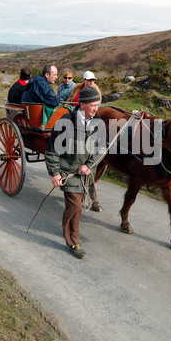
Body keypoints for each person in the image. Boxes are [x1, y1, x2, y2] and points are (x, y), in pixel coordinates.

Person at [45, 86, 105, 259]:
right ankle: (73, 241)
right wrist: (55, 173)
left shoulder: (98, 123)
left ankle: (69, 229)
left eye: (98, 105)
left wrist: (89, 165)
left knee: (76, 207)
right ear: (82, 104)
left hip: (85, 174)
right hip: (68, 171)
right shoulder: (65, 122)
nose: (95, 109)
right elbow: (51, 151)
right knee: (75, 206)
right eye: (93, 105)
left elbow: (101, 148)